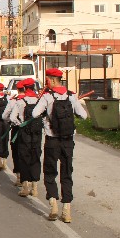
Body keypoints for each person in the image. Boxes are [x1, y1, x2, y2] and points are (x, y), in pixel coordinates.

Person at [32, 68, 88, 223]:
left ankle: (53, 206)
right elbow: (83, 115)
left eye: (47, 79)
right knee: (67, 173)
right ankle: (67, 210)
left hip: (52, 140)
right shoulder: (71, 95)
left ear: (51, 80)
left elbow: (34, 114)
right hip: (68, 141)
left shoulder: (48, 97)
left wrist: (45, 109)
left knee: (50, 172)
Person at [13, 78, 43, 198]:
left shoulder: (20, 101)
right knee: (35, 156)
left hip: (24, 133)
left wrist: (20, 123)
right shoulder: (39, 100)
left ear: (24, 88)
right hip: (37, 133)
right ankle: (35, 187)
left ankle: (25, 187)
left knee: (24, 157)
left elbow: (12, 117)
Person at [2, 79, 27, 187]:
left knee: (16, 152)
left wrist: (12, 122)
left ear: (17, 89)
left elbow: (4, 116)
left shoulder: (13, 101)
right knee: (28, 153)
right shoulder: (34, 100)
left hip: (17, 129)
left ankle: (19, 177)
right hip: (29, 131)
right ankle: (30, 180)